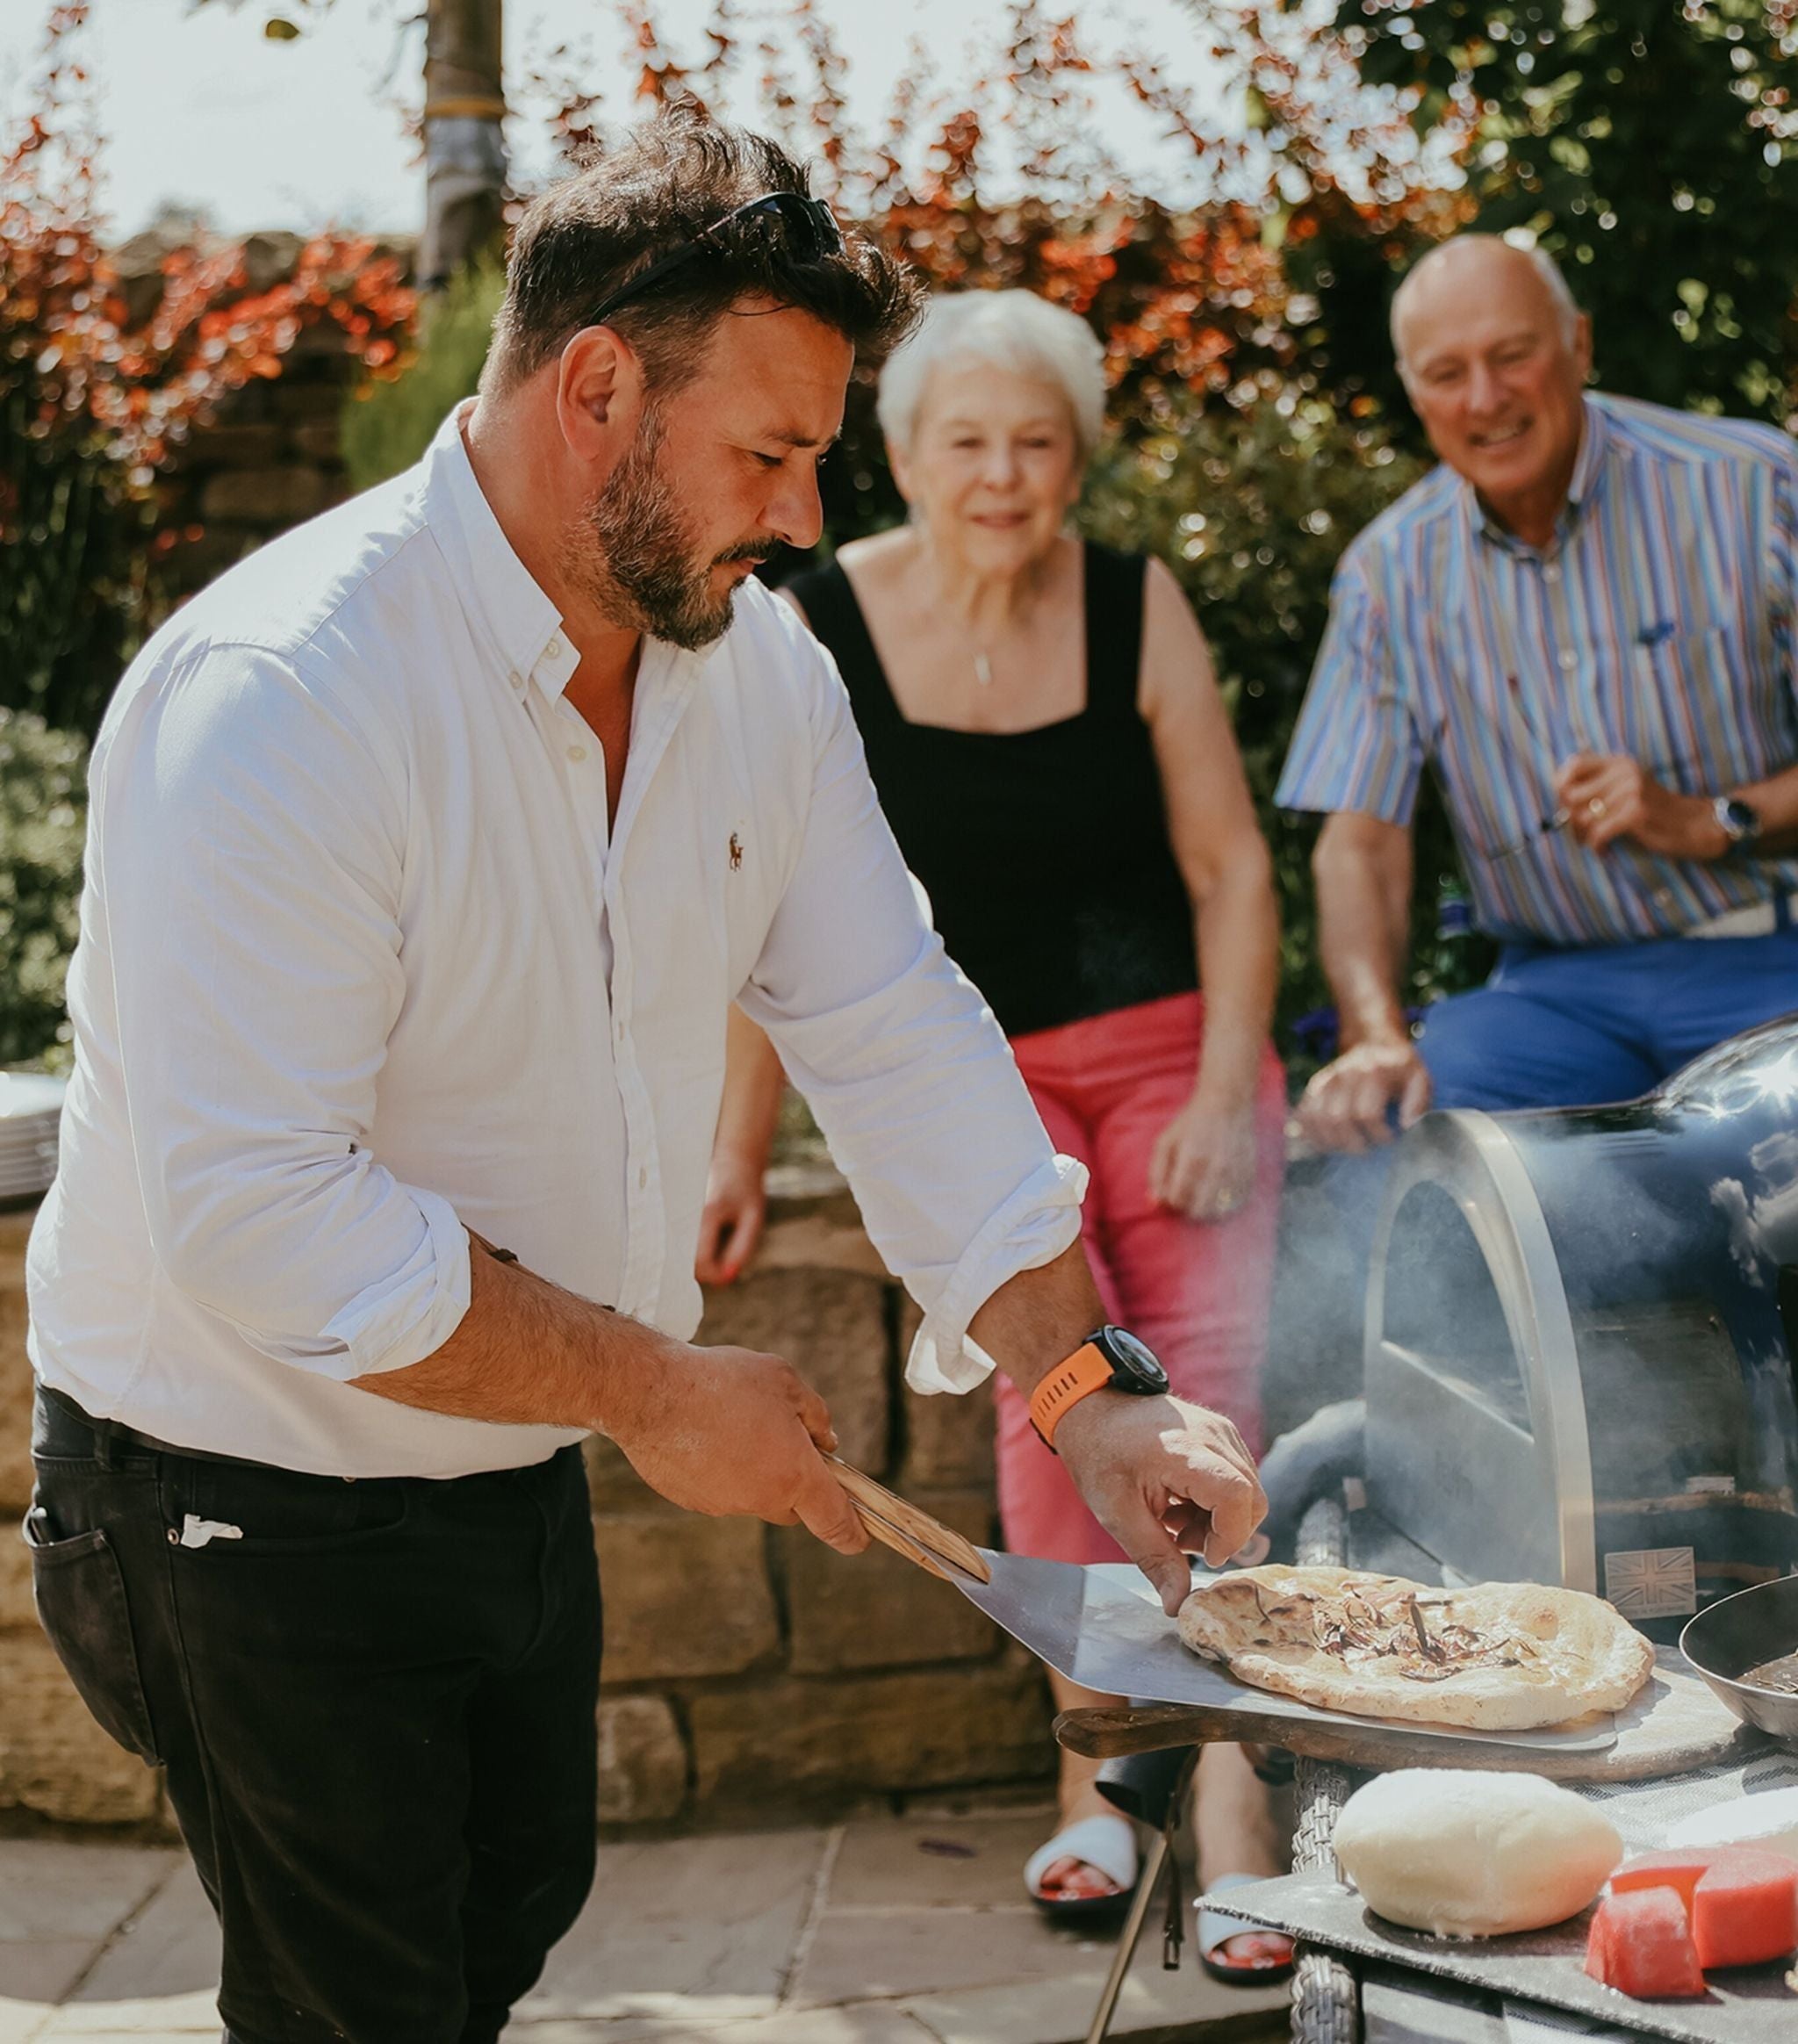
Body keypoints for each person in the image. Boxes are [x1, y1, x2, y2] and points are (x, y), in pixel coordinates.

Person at [22, 118, 1268, 2044]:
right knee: (369, 2002)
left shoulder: (755, 677)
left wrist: (1090, 1392)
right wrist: (658, 1394)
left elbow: (889, 1021)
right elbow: (259, 1216)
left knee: (508, 1909)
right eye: (765, 455)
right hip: (228, 1490)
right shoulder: (278, 695)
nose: (798, 516)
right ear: (595, 386)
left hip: (511, 1449)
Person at [699, 291, 1293, 1976]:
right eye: (964, 439)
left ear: (1075, 460)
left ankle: (1239, 1799)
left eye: (1036, 442)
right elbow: (780, 919)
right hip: (970, 1076)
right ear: (899, 457)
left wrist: (1220, 1082)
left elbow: (1229, 865)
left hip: (1169, 1057)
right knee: (1056, 1408)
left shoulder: (1135, 603)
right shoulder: (812, 620)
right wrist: (737, 1153)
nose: (1001, 473)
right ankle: (1103, 1778)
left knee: (1215, 1388)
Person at [1281, 235, 1798, 1155]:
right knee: (1398, 1132)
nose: (1484, 398)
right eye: (1447, 372)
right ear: (1414, 392)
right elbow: (1357, 844)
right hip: (1552, 996)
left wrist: (1712, 819)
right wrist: (1368, 1036)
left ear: (1578, 348)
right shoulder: (1386, 576)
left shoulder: (1753, 488)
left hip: (1767, 960)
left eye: (1511, 354)